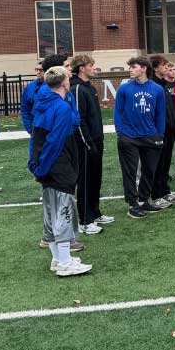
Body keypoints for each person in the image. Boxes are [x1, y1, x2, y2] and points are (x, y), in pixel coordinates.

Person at [29, 65, 92, 277]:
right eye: (68, 76)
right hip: (58, 164)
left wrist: (38, 165)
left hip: (45, 163)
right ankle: (64, 262)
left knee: (51, 210)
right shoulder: (61, 107)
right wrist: (46, 166)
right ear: (64, 82)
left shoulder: (44, 101)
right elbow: (57, 140)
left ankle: (58, 259)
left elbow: (38, 136)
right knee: (64, 211)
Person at [115, 56, 166, 219]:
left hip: (151, 135)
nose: (130, 69)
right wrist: (121, 132)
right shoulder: (124, 88)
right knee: (130, 172)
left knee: (149, 170)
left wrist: (160, 134)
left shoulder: (157, 89)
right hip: (129, 137)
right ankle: (132, 204)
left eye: (133, 67)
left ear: (144, 68)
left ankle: (144, 200)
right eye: (130, 67)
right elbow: (118, 112)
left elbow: (161, 114)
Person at [69, 54, 113, 234]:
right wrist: (87, 143)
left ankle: (94, 213)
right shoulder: (77, 88)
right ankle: (84, 220)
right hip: (85, 144)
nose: (94, 68)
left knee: (95, 179)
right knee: (86, 181)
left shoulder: (89, 87)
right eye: (91, 65)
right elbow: (80, 119)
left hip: (96, 141)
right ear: (81, 68)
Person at [149, 54, 175, 209]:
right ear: (156, 68)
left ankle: (165, 191)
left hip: (169, 130)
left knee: (166, 164)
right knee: (158, 164)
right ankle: (156, 195)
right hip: (159, 132)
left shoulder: (163, 85)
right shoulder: (154, 85)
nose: (167, 68)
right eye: (163, 65)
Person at [20, 60, 45, 133]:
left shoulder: (52, 86)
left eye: (41, 70)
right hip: (34, 127)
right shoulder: (30, 87)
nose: (38, 72)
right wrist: (29, 128)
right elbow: (24, 108)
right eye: (36, 69)